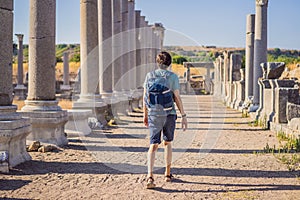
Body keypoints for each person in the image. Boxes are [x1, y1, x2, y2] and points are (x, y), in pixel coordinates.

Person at [143, 51, 188, 189]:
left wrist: (145, 115)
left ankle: (150, 176)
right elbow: (177, 97)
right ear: (169, 63)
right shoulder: (172, 77)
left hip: (153, 114)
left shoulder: (149, 76)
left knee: (153, 145)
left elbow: (145, 97)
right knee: (167, 143)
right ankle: (167, 174)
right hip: (169, 113)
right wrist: (183, 115)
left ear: (157, 62)